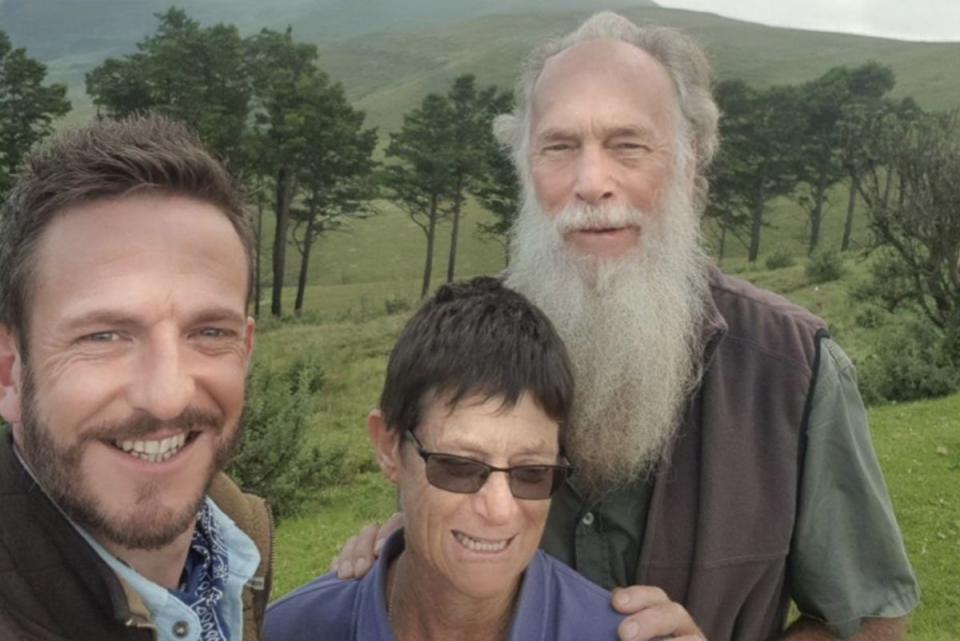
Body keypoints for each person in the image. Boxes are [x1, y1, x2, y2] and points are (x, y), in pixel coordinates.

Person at [331, 12, 919, 641]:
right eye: (559, 147)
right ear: (525, 171)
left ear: (691, 168)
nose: (591, 183)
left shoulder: (792, 367)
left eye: (628, 145)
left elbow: (869, 620)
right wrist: (401, 557)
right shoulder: (453, 347)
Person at [0, 115, 272, 641]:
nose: (167, 396)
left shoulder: (236, 536)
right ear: (10, 372)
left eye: (210, 332)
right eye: (103, 336)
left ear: (246, 349)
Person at [266, 277, 631, 640]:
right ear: (389, 447)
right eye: (459, 467)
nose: (500, 509)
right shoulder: (287, 631)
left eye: (531, 473)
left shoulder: (614, 634)